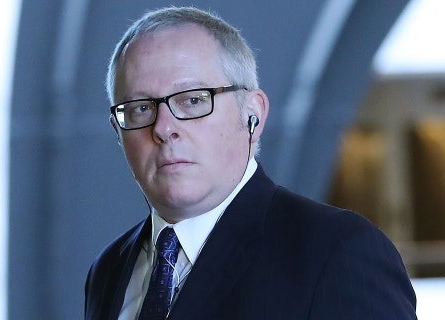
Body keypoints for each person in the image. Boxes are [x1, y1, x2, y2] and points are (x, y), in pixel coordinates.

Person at [85, 6, 417, 320]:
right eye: (140, 108)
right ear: (118, 130)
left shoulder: (336, 252)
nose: (164, 128)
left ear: (252, 113)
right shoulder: (110, 268)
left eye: (193, 100)